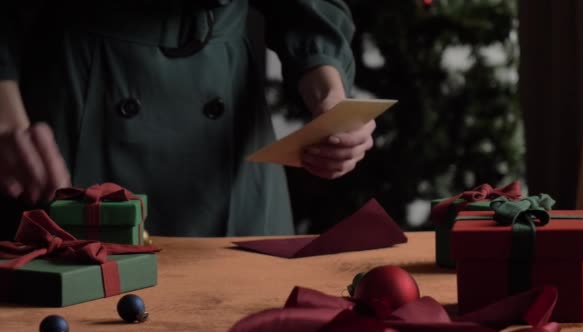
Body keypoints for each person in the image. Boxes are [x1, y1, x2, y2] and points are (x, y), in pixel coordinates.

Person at [0, 0, 375, 238]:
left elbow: (306, 9)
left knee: (245, 307)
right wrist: (5, 118)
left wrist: (330, 97)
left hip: (229, 125)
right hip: (84, 94)